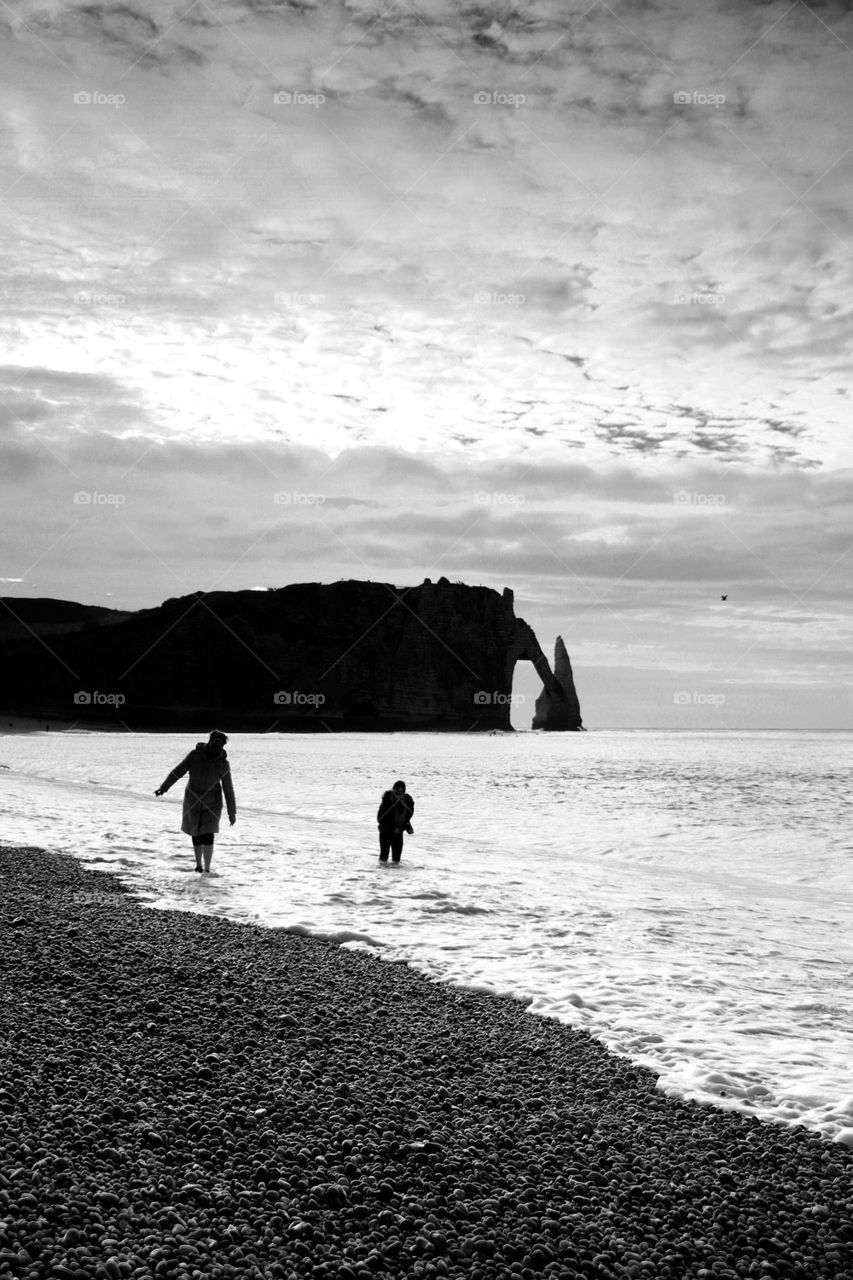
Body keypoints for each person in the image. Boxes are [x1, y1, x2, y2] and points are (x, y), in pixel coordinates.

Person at [155, 730, 236, 873]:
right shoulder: (194, 756)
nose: (217, 747)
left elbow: (228, 789)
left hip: (213, 803)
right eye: (215, 743)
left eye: (221, 745)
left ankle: (207, 869)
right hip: (193, 799)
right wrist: (164, 787)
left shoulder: (223, 764)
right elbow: (178, 771)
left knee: (208, 833)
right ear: (210, 741)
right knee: (196, 832)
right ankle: (198, 865)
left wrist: (232, 812)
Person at [377, 779, 414, 864]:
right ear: (393, 789)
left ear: (404, 792)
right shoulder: (387, 800)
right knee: (383, 858)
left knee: (396, 860)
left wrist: (407, 828)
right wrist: (393, 828)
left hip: (398, 833)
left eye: (401, 791)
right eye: (396, 790)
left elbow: (406, 818)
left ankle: (396, 876)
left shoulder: (406, 802)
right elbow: (380, 818)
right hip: (385, 832)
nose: (398, 793)